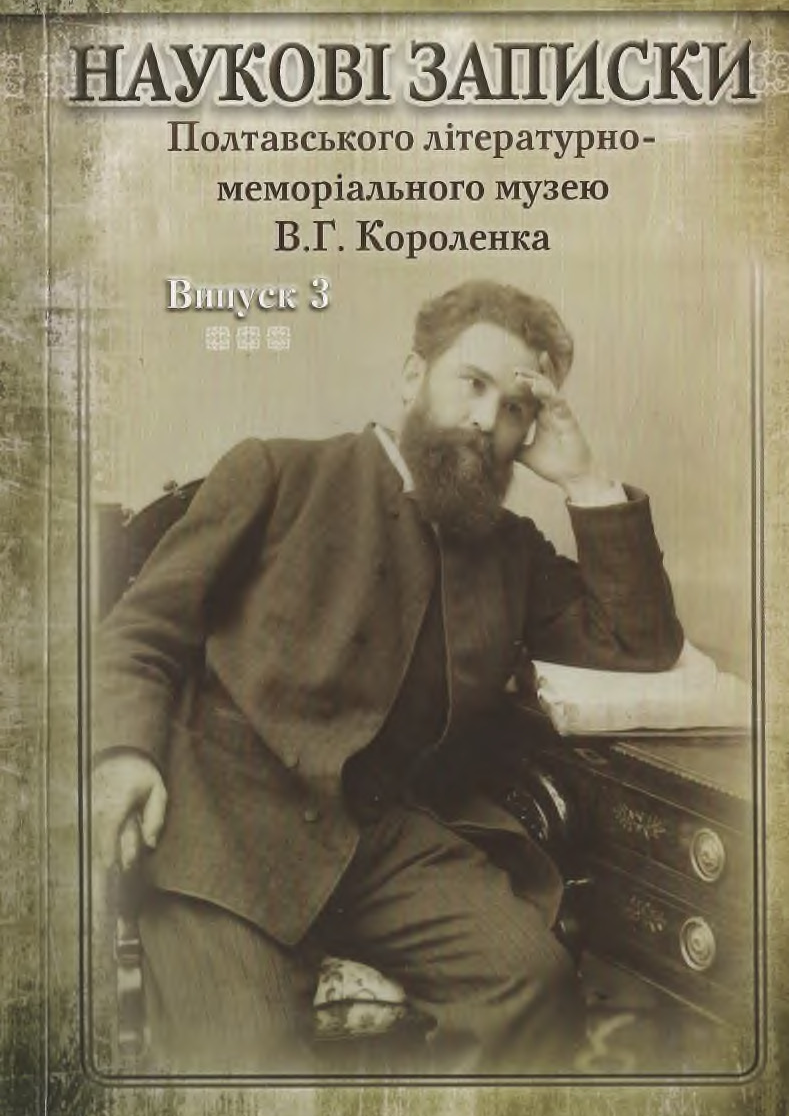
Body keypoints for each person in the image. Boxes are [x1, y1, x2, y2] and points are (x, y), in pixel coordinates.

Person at [92, 279, 683, 1076]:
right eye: (471, 382)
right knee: (249, 1075)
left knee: (530, 983)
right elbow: (142, 629)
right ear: (413, 376)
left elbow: (639, 643)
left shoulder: (511, 552)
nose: (487, 418)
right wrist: (122, 754)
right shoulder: (277, 472)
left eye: (514, 406)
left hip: (381, 840)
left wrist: (585, 479)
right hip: (224, 833)